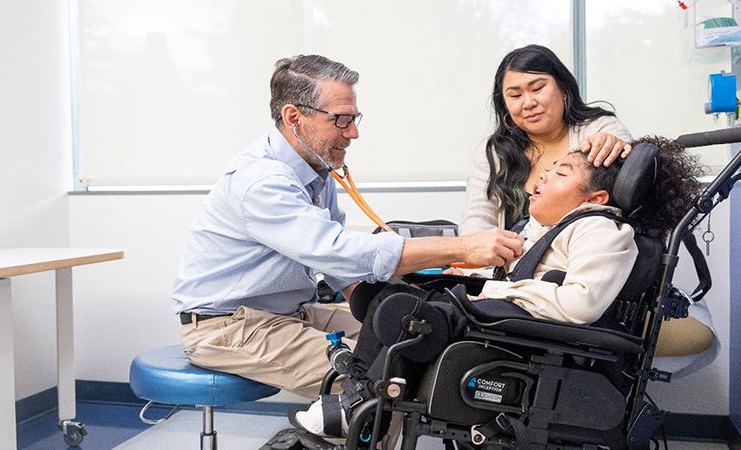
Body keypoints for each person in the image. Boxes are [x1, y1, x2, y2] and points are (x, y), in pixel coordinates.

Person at [293, 136, 704, 439]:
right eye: (546, 170)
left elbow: (580, 306)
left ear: (593, 197)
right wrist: (479, 278)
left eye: (560, 173)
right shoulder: (556, 228)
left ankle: (362, 409)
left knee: (414, 316)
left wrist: (500, 293)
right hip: (506, 320)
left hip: (525, 336)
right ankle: (362, 393)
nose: (543, 177)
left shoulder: (605, 232)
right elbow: (519, 278)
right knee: (396, 296)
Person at [171, 54, 525, 399]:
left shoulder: (314, 168)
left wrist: (392, 309)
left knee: (422, 342)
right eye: (341, 120)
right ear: (294, 116)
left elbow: (341, 270)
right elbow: (336, 250)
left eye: (355, 118)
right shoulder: (262, 182)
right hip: (227, 328)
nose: (353, 133)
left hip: (287, 315)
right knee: (382, 377)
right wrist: (462, 248)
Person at [460, 44, 634, 235]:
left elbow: (630, 184)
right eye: (515, 95)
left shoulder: (600, 129)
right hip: (513, 263)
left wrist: (616, 146)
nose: (528, 103)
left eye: (537, 88)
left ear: (564, 89)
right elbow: (476, 222)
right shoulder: (494, 153)